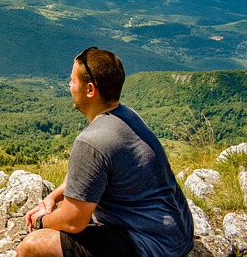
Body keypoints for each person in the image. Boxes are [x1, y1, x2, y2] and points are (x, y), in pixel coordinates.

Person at [17, 47, 194, 257]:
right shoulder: (128, 116)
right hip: (177, 235)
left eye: (73, 81)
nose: (69, 85)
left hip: (151, 247)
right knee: (67, 205)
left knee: (32, 246)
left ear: (90, 90)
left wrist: (41, 220)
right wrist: (53, 198)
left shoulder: (92, 141)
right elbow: (83, 179)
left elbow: (73, 222)